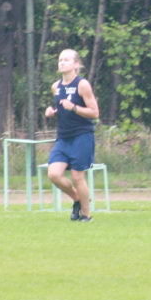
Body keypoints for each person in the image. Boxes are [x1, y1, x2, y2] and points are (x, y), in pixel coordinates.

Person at [43, 49, 100, 221]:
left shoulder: (82, 84)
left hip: (82, 136)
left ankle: (86, 215)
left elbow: (94, 112)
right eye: (60, 60)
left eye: (66, 60)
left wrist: (74, 108)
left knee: (77, 177)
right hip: (63, 137)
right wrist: (52, 112)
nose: (62, 62)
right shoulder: (56, 86)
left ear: (76, 64)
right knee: (54, 174)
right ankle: (77, 199)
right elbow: (61, 107)